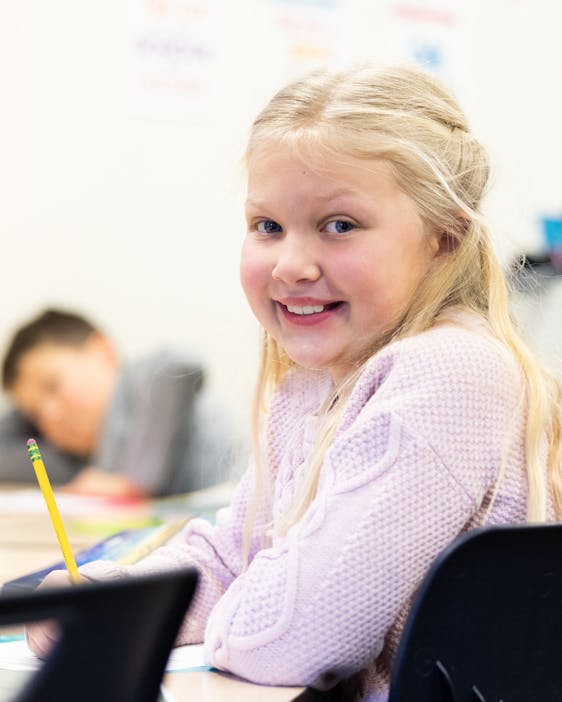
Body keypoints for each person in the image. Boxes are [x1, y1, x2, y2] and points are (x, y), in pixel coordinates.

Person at [27, 64, 562, 701]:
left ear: (445, 235)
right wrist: (107, 604)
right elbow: (231, 558)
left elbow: (287, 638)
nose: (290, 265)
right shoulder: (315, 381)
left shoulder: (449, 372)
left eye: (340, 225)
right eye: (268, 226)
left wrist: (228, 605)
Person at [0, 308, 243, 498]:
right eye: (34, 415)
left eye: (53, 385)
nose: (50, 415)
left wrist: (136, 483)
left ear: (103, 352)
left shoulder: (139, 385)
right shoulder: (80, 462)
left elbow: (179, 362)